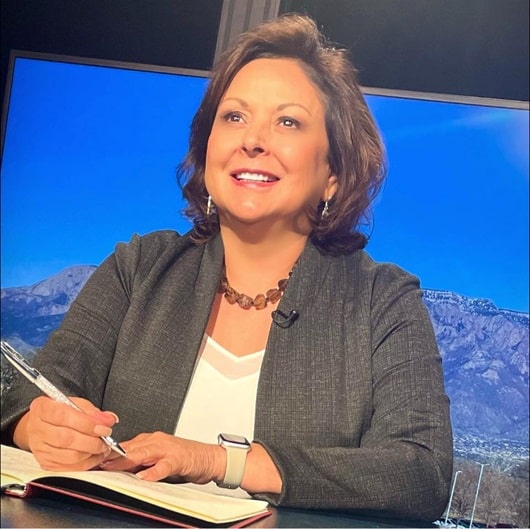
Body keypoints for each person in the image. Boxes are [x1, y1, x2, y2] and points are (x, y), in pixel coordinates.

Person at [0, 13, 453, 521]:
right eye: (234, 117)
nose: (252, 140)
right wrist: (40, 428)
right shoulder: (139, 267)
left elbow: (421, 473)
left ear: (333, 173)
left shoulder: (382, 299)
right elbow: (27, 396)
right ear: (206, 149)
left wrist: (218, 461)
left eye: (287, 121)